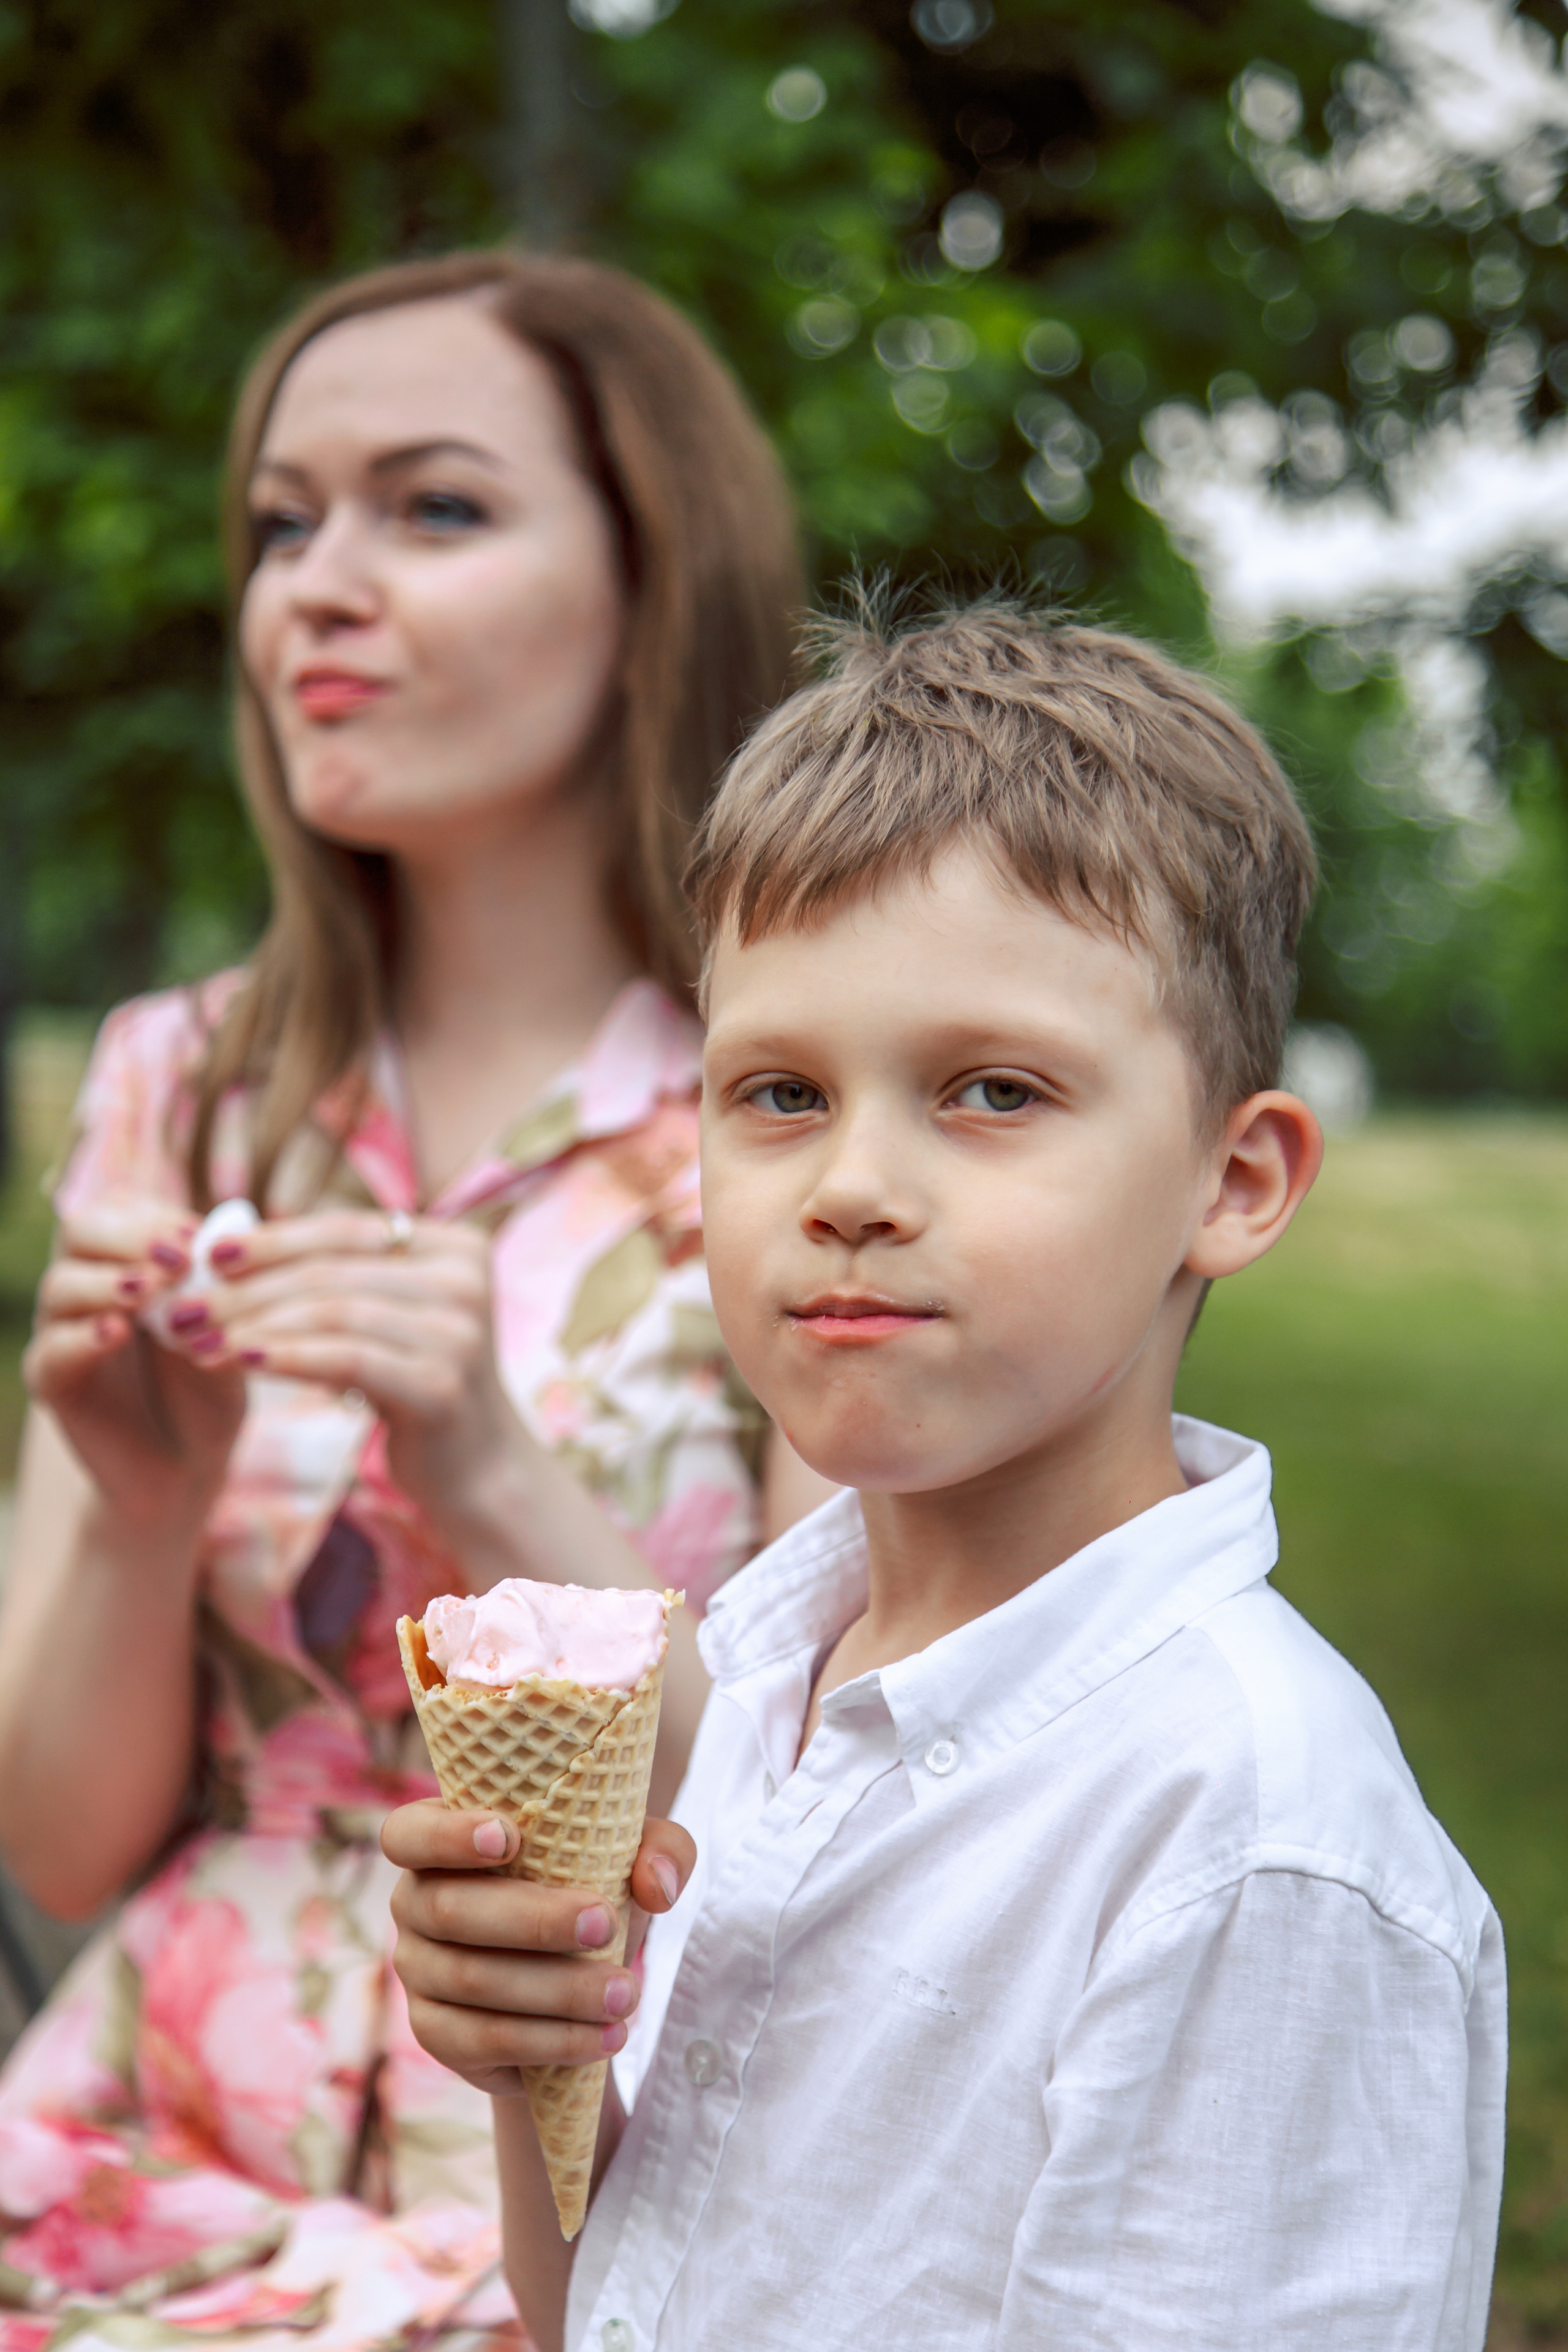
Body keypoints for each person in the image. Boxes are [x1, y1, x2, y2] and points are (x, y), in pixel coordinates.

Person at [385, 601, 1507, 2352]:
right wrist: (546, 2061)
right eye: (776, 1092)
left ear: (1237, 1178)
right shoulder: (765, 1684)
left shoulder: (1245, 1844)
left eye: (990, 1091)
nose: (851, 1185)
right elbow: (609, 2308)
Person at [0, 251, 831, 2348]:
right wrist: (126, 1499)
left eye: (433, 509)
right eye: (286, 524)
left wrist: (477, 1456)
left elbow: (839, 1817)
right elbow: (68, 1841)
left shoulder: (797, 1102)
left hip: (600, 2162)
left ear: (654, 580)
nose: (317, 587)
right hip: (137, 2159)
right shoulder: (178, 1086)